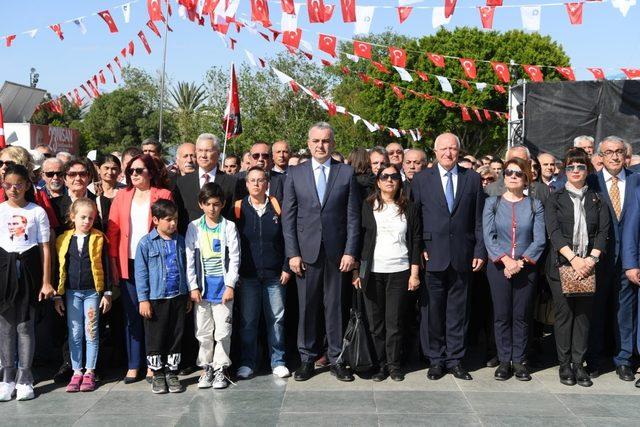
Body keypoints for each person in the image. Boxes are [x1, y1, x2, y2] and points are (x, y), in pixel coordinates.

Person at [282, 122, 361, 382]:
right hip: (306, 254)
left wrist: (351, 251)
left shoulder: (346, 173)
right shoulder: (295, 173)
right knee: (307, 307)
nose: (320, 145)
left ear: (333, 143)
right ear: (308, 143)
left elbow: (352, 217)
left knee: (336, 306)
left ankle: (337, 358)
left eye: (325, 141)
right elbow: (289, 217)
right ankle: (307, 359)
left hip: (338, 255)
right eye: (315, 141)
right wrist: (292, 253)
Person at [410, 132, 486, 381]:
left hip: (463, 255)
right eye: (443, 149)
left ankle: (455, 359)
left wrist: (479, 250)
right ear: (435, 151)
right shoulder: (421, 179)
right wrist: (419, 247)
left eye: (453, 148)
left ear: (459, 151)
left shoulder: (472, 179)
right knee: (433, 311)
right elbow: (416, 221)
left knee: (458, 311)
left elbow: (478, 220)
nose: (448, 153)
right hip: (432, 255)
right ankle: (436, 359)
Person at [545, 147, 610, 387]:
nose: (575, 170)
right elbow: (553, 232)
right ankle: (564, 365)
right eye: (571, 166)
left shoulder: (597, 198)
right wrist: (574, 259)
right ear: (565, 169)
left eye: (580, 166)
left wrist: (590, 260)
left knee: (583, 317)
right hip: (561, 265)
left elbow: (603, 232)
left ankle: (578, 364)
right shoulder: (556, 197)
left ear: (587, 169)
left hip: (589, 266)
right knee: (565, 316)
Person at [107, 154, 173, 383]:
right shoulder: (121, 196)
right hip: (129, 262)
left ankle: (153, 364)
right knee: (132, 315)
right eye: (131, 170)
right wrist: (114, 263)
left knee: (152, 314)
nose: (134, 174)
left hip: (155, 263)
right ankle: (134, 364)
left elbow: (170, 229)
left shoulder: (163, 195)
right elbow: (113, 232)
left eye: (139, 170)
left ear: (151, 172)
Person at [353, 163, 421, 382]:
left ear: (399, 180)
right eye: (385, 176)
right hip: (372, 271)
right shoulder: (367, 205)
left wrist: (414, 273)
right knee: (376, 323)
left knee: (395, 322)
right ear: (378, 181)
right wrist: (357, 272)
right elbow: (360, 241)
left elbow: (416, 241)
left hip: (399, 270)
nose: (390, 180)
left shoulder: (409, 207)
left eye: (394, 176)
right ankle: (380, 364)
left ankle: (394, 365)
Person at [482, 158, 546, 381]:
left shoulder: (535, 205)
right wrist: (506, 261)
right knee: (501, 315)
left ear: (526, 177)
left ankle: (519, 361)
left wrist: (520, 262)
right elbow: (489, 237)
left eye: (518, 173)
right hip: (499, 267)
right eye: (509, 172)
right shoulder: (492, 203)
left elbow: (539, 240)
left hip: (525, 268)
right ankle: (503, 361)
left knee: (521, 315)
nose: (512, 176)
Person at [0, 164, 54, 401]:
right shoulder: (0, 210)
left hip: (28, 270)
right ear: (3, 185)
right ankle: (7, 376)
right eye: (9, 185)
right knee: (5, 326)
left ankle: (25, 377)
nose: (14, 189)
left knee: (24, 326)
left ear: (27, 185)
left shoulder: (37, 212)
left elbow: (45, 248)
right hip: (3, 270)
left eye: (18, 185)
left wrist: (46, 281)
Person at [234, 167, 291, 380]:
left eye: (260, 180)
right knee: (248, 321)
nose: (257, 184)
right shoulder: (238, 208)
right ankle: (248, 362)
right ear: (246, 184)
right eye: (252, 180)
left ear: (267, 183)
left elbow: (287, 238)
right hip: (248, 276)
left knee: (276, 319)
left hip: (275, 275)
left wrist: (286, 267)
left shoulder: (276, 206)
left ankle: (278, 360)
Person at [53, 198, 112, 393]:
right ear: (73, 217)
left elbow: (106, 265)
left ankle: (90, 371)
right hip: (71, 293)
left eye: (91, 218)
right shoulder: (63, 239)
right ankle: (76, 370)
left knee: (91, 332)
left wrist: (107, 292)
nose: (87, 221)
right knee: (75, 333)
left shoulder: (99, 238)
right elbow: (58, 268)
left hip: (92, 292)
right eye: (83, 217)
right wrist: (57, 296)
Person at [591, 137, 637, 382]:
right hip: (598, 260)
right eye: (609, 152)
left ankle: (623, 360)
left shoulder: (637, 181)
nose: (615, 156)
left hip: (628, 262)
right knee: (596, 311)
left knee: (625, 312)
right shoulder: (590, 182)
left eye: (619, 151)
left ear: (626, 155)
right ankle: (595, 359)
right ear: (601, 156)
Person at [186, 183, 240, 390]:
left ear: (223, 204)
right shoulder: (194, 227)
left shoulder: (229, 227)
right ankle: (206, 366)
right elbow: (190, 258)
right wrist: (193, 286)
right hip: (203, 287)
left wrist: (230, 285)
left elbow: (234, 258)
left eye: (216, 204)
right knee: (203, 331)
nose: (212, 209)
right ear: (201, 205)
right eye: (208, 204)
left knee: (223, 330)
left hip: (222, 286)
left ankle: (221, 368)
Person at [135, 199, 189, 394]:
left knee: (176, 335)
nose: (173, 224)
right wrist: (143, 299)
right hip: (156, 299)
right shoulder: (146, 243)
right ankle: (157, 374)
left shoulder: (181, 241)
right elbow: (141, 273)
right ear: (156, 220)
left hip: (178, 296)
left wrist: (188, 295)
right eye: (168, 220)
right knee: (155, 337)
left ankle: (172, 372)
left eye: (175, 219)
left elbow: (187, 267)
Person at [174, 133, 237, 232]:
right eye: (200, 150)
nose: (203, 155)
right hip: (191, 241)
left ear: (218, 153)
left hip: (220, 239)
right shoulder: (182, 182)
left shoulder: (232, 182)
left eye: (208, 151)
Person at [51, 159, 102, 235]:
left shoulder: (101, 202)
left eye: (82, 174)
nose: (78, 178)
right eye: (72, 174)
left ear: (89, 177)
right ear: (65, 179)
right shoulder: (54, 205)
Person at [486, 145, 550, 205]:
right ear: (505, 164)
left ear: (529, 163)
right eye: (513, 161)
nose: (518, 165)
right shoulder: (491, 190)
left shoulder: (542, 190)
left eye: (522, 161)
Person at [93, 154, 123, 222]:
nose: (110, 172)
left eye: (114, 169)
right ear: (98, 169)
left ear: (119, 171)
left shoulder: (125, 190)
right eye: (106, 168)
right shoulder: (91, 189)